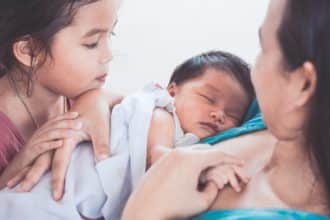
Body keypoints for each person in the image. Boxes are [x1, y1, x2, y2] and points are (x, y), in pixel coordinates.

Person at [122, 0, 330, 220]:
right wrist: (95, 98)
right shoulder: (267, 114)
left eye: (263, 49)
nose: (254, 74)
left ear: (303, 85)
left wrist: (145, 208)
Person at [0, 51, 253, 220]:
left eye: (232, 114)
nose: (218, 114)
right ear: (172, 92)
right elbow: (162, 159)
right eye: (208, 99)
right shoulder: (160, 114)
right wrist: (206, 168)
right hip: (50, 199)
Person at [0, 0, 122, 201]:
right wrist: (9, 179)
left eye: (111, 35)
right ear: (30, 51)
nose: (108, 55)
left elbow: (162, 103)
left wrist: (96, 99)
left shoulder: (80, 92)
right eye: (91, 44)